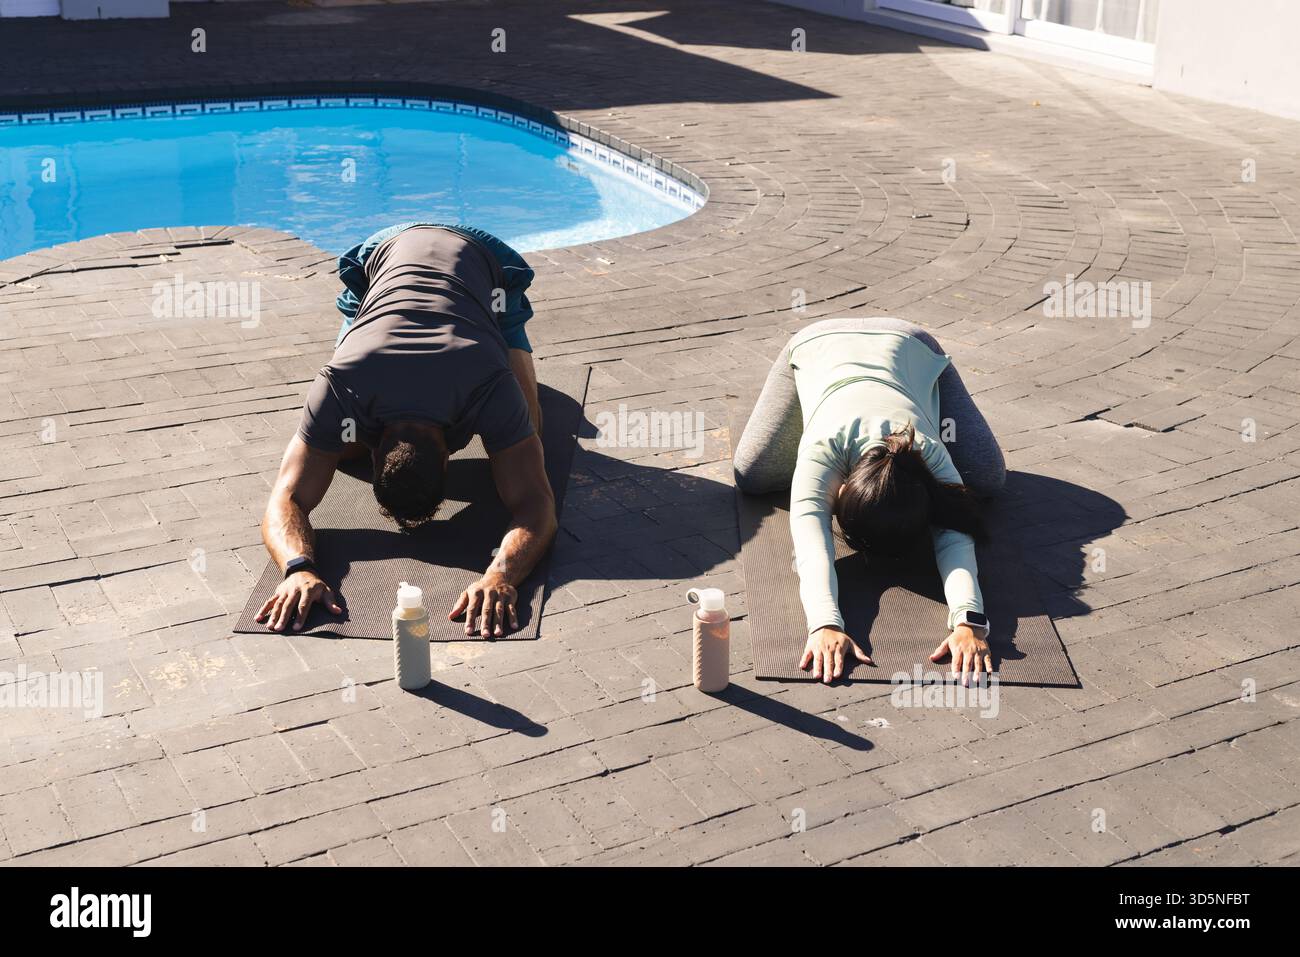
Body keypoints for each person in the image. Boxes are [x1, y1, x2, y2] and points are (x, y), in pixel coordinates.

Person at [256, 222, 554, 638]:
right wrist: (296, 568)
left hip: (482, 261)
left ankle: (496, 332)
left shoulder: (488, 384)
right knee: (337, 444)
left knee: (533, 429)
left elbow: (538, 504)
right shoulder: (341, 381)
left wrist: (501, 576)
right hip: (383, 258)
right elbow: (284, 499)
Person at [733, 317, 1006, 687]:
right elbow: (812, 545)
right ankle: (812, 399)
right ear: (841, 489)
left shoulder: (924, 452)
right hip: (821, 345)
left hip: (909, 352)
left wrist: (969, 622)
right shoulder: (822, 451)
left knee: (987, 479)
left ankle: (896, 389)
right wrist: (825, 623)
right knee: (754, 475)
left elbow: (955, 535)